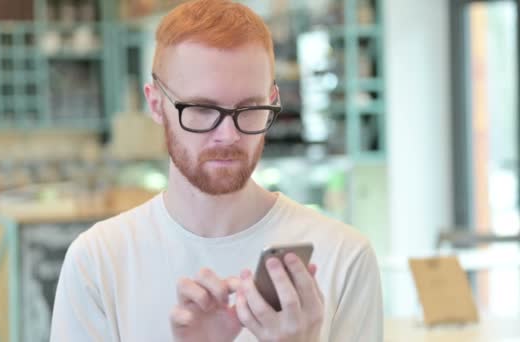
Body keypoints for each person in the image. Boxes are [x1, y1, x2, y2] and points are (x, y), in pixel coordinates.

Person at [50, 1, 383, 341]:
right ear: (156, 105)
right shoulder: (98, 262)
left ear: (271, 101)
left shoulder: (343, 256)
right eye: (202, 109)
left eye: (250, 108)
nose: (229, 135)